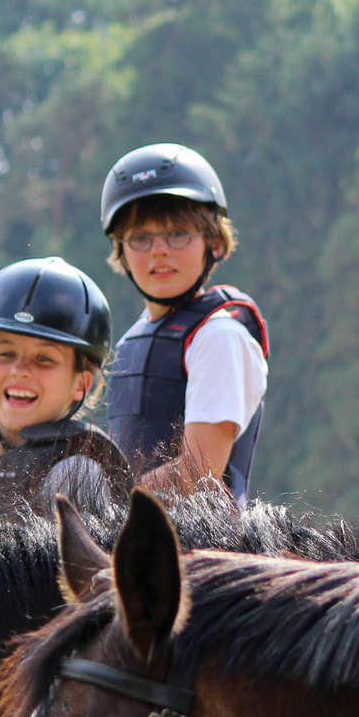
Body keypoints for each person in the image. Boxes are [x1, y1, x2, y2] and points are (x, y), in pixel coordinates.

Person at [100, 142, 268, 503]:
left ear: (214, 243)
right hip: (132, 535)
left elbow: (198, 473)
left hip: (204, 551)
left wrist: (104, 501)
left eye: (177, 234)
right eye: (141, 238)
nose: (159, 250)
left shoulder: (219, 338)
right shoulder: (131, 340)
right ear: (123, 253)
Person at [0, 257, 130, 511]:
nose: (19, 371)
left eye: (44, 359)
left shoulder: (76, 476)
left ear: (81, 384)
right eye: (5, 354)